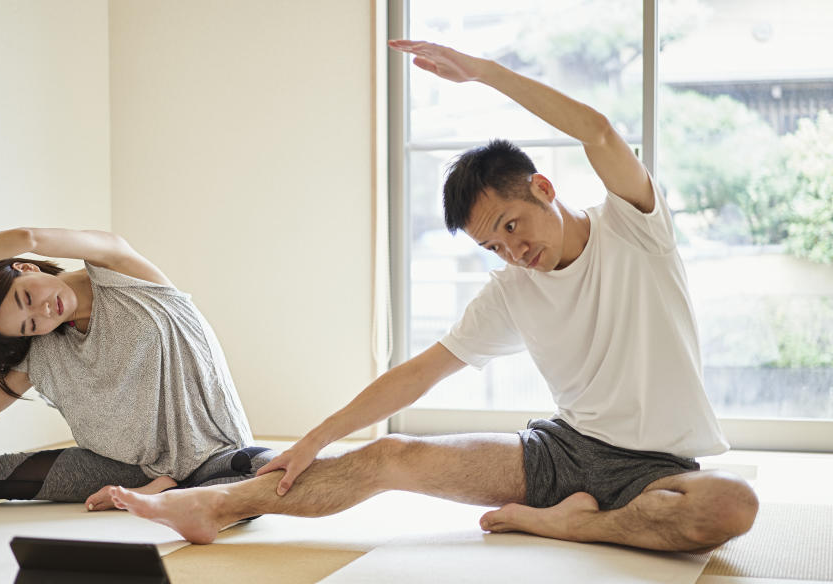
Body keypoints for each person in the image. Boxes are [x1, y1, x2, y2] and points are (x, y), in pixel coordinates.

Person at [107, 40, 758, 552]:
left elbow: (600, 133)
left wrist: (485, 72)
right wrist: (315, 438)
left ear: (543, 188)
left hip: (660, 468)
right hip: (560, 456)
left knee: (733, 505)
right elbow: (419, 373)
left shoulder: (634, 228)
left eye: (511, 226)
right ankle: (215, 507)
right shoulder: (511, 292)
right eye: (493, 247)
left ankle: (570, 526)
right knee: (389, 455)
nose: (512, 251)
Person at [0, 228, 274, 510]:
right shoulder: (46, 348)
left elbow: (28, 236)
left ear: (26, 269)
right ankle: (161, 494)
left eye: (28, 297)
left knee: (264, 470)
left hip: (217, 456)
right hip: (128, 471)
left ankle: (170, 495)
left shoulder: (120, 271)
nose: (42, 312)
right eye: (29, 324)